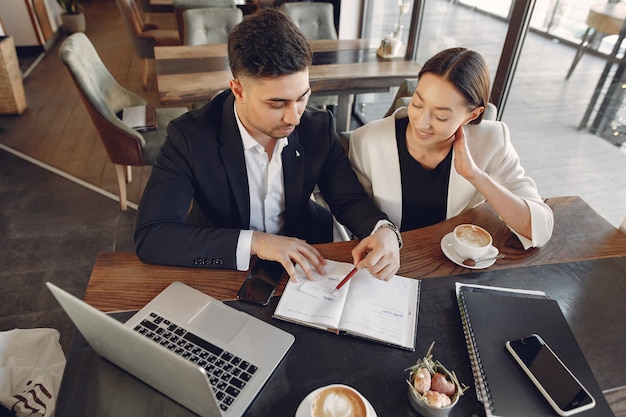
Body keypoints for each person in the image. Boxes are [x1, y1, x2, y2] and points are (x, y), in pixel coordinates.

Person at [134, 9, 402, 282]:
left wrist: (383, 230)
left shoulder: (317, 127)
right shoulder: (190, 137)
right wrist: (257, 243)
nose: (294, 116)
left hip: (306, 255)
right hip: (225, 261)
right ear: (238, 90)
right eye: (277, 103)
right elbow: (152, 235)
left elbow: (349, 198)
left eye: (302, 97)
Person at [348, 47, 553, 249]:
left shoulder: (492, 140)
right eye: (417, 104)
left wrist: (476, 176)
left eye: (441, 116)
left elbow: (540, 228)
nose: (421, 122)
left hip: (455, 262)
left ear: (471, 115)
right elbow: (357, 214)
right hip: (392, 261)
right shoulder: (367, 141)